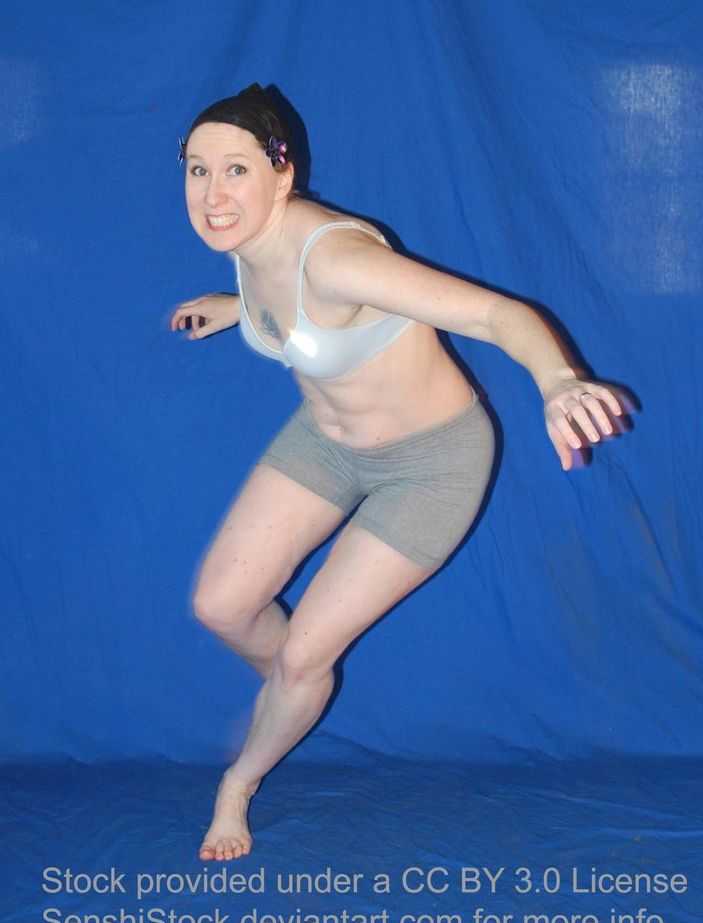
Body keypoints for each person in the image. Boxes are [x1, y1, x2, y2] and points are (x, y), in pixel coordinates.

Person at [170, 84, 625, 861]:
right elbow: (283, 313)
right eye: (196, 169)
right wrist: (229, 307)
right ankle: (293, 687)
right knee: (219, 603)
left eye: (236, 170)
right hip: (326, 440)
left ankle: (241, 779)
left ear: (283, 176)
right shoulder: (242, 243)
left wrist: (558, 381)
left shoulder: (341, 258)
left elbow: (495, 315)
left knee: (303, 657)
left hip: (433, 464)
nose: (213, 194)